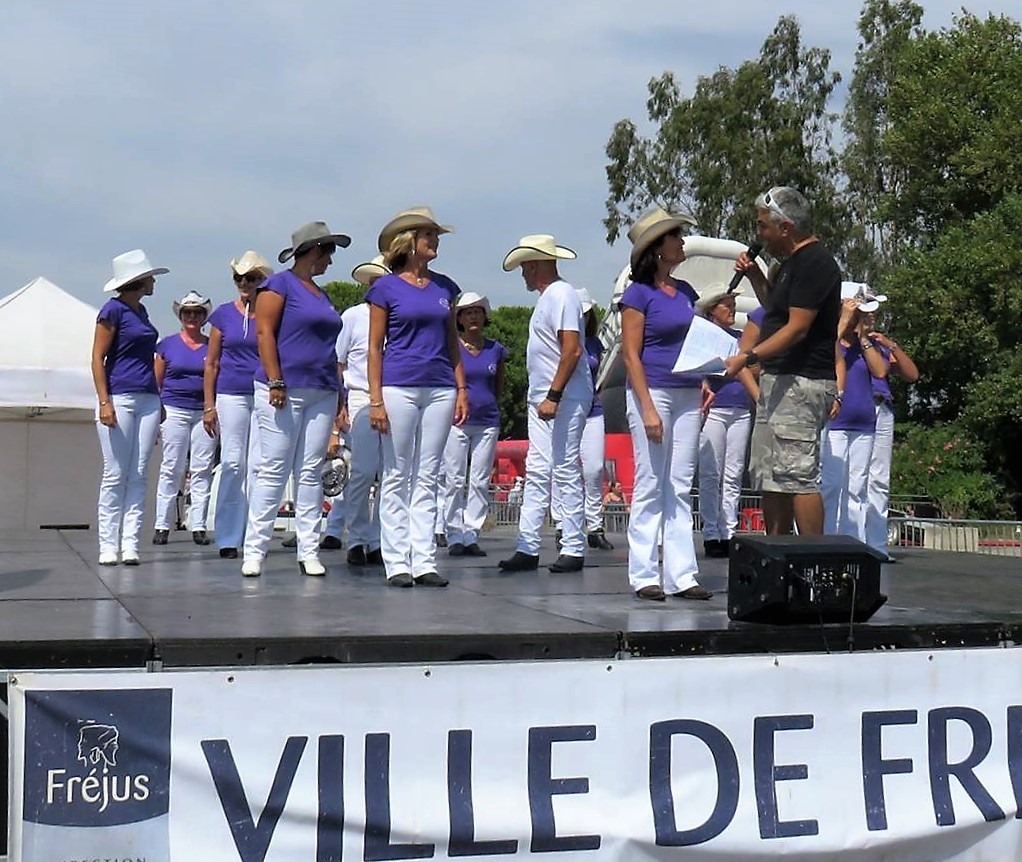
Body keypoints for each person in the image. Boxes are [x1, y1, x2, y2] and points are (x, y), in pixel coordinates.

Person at [724, 186, 841, 536]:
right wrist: (757, 277)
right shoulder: (790, 265)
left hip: (802, 381)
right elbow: (777, 311)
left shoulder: (816, 263)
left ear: (786, 227)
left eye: (763, 227)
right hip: (779, 381)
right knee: (770, 474)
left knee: (798, 476)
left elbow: (797, 328)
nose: (759, 235)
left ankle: (815, 564)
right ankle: (776, 556)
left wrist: (748, 356)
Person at [367, 207, 467, 588]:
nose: (435, 241)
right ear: (409, 241)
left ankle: (424, 559)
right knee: (396, 472)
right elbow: (375, 347)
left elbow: (452, 343)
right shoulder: (385, 288)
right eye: (429, 235)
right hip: (399, 385)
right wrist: (375, 400)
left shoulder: (446, 287)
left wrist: (461, 388)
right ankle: (397, 561)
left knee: (428, 475)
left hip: (440, 384)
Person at [242, 221, 349, 578]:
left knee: (310, 473)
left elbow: (330, 349)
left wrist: (339, 395)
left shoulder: (322, 294)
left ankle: (309, 549)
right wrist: (275, 380)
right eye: (329, 252)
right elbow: (264, 332)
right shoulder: (278, 285)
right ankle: (254, 550)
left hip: (321, 389)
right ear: (315, 250)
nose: (331, 261)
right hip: (283, 389)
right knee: (274, 468)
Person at [619, 207, 713, 601]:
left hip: (688, 391)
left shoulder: (687, 293)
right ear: (657, 248)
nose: (682, 241)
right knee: (651, 481)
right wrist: (647, 407)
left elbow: (694, 343)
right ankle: (643, 573)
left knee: (678, 484)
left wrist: (705, 376)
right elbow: (630, 354)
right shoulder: (638, 294)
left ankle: (682, 575)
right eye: (675, 236)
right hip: (653, 390)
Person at [498, 234, 592, 574]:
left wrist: (554, 394)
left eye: (525, 266)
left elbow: (572, 349)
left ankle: (573, 546)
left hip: (562, 396)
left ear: (534, 264)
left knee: (564, 467)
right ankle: (528, 545)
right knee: (539, 469)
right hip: (545, 398)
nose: (523, 273)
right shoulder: (550, 298)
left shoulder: (562, 295)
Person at [90, 250, 167, 566]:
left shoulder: (143, 312)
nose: (153, 282)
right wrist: (104, 401)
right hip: (119, 396)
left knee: (138, 473)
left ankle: (130, 544)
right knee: (116, 472)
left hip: (148, 397)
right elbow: (97, 358)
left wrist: (159, 400)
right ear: (139, 280)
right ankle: (108, 545)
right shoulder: (113, 311)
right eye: (150, 277)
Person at [203, 251, 274, 559]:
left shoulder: (272, 312)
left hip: (264, 391)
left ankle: (255, 536)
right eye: (239, 278)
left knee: (261, 466)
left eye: (252, 278)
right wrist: (209, 404)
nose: (245, 283)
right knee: (233, 463)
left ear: (262, 281)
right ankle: (228, 537)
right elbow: (212, 362)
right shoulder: (222, 314)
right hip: (231, 393)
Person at [439, 292, 508, 557]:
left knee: (479, 480)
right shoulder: (451, 347)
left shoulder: (496, 349)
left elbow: (498, 385)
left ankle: (471, 533)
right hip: (457, 421)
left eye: (477, 311)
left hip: (487, 421)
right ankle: (454, 533)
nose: (473, 316)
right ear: (459, 318)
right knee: (454, 479)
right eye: (467, 312)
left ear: (485, 315)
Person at [330, 255, 388, 567]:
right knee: (363, 470)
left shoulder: (398, 314)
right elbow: (338, 365)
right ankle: (357, 538)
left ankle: (378, 539)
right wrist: (340, 406)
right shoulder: (352, 316)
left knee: (390, 473)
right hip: (361, 396)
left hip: (393, 395)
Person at [821, 289, 890, 541]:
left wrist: (863, 338)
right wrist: (842, 320)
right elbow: (825, 349)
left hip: (864, 424)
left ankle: (854, 542)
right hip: (836, 423)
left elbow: (881, 371)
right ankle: (825, 540)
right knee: (831, 485)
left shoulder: (866, 344)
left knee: (856, 489)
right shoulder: (833, 340)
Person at [695, 285, 758, 557]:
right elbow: (703, 368)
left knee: (733, 474)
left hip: (740, 408)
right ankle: (711, 532)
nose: (732, 309)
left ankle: (729, 530)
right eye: (726, 305)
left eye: (733, 304)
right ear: (712, 310)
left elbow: (753, 367)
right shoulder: (702, 336)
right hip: (715, 408)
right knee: (711, 472)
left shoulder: (741, 337)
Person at [551, 287, 613, 550]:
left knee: (594, 467)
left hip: (592, 409)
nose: (583, 317)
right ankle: (562, 523)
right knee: (563, 466)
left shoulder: (594, 344)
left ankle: (595, 525)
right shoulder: (556, 340)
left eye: (587, 313)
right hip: (564, 407)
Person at [153, 291, 217, 546]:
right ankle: (161, 524)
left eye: (197, 313)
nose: (192, 317)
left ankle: (198, 525)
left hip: (204, 411)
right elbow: (156, 381)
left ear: (204, 317)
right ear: (180, 316)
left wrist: (211, 408)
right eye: (187, 312)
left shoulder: (212, 344)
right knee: (172, 467)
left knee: (202, 469)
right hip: (174, 410)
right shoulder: (167, 344)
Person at [863, 306, 919, 560]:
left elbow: (911, 374)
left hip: (881, 406)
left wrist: (891, 344)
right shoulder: (845, 339)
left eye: (874, 312)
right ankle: (852, 539)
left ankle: (876, 545)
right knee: (854, 477)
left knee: (879, 478)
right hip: (858, 405)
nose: (872, 316)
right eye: (867, 312)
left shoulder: (879, 344)